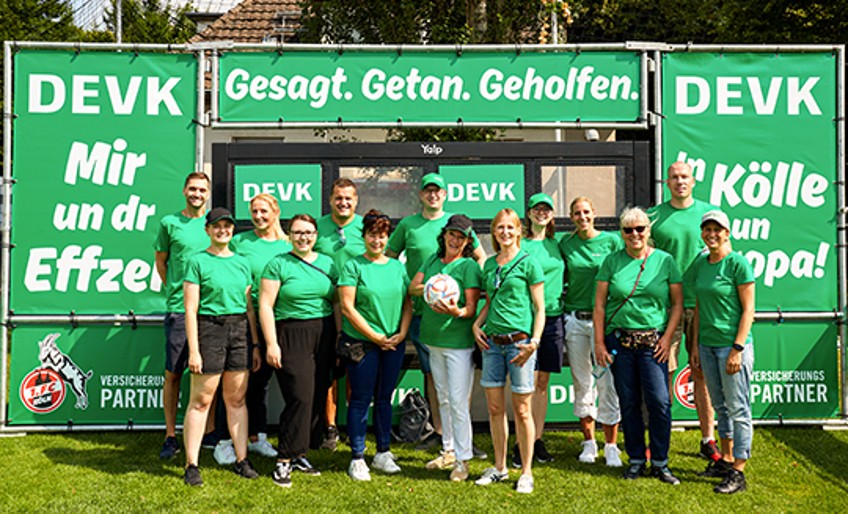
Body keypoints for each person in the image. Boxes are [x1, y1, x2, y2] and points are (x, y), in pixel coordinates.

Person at [387, 173, 486, 455]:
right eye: (428, 191)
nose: (433, 195)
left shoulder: (460, 232)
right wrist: (426, 290)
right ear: (420, 194)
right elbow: (395, 264)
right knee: (434, 378)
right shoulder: (410, 227)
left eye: (438, 191)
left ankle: (460, 442)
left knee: (457, 389)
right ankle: (443, 437)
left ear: (445, 195)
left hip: (455, 327)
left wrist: (464, 294)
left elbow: (480, 261)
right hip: (422, 317)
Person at [594, 206, 683, 485]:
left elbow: (677, 303)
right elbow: (598, 305)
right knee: (628, 402)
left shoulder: (666, 261)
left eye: (640, 228)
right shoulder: (611, 261)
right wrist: (599, 342)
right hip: (620, 341)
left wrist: (667, 338)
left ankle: (660, 461)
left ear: (648, 230)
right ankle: (635, 459)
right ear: (621, 233)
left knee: (659, 401)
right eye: (628, 229)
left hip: (653, 342)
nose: (635, 234)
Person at [182, 207, 260, 486]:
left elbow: (250, 308)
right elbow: (190, 310)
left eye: (227, 226)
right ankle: (191, 464)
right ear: (208, 230)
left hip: (239, 331)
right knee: (201, 401)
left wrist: (255, 344)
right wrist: (194, 350)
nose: (222, 230)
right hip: (209, 329)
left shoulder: (242, 262)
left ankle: (242, 460)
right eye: (217, 226)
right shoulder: (197, 261)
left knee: (236, 400)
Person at [259, 214, 338, 488]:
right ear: (289, 235)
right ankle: (283, 461)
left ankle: (300, 454)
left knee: (317, 394)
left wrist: (338, 337)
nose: (303, 237)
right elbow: (266, 305)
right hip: (291, 332)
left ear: (316, 235)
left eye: (308, 232)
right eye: (297, 232)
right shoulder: (278, 263)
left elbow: (336, 303)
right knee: (299, 396)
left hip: (324, 331)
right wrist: (271, 343)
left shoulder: (328, 263)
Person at [648, 161, 719, 461]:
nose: (680, 182)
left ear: (693, 181)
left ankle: (708, 439)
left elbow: (721, 257)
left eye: (685, 177)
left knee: (701, 374)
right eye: (674, 177)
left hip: (702, 307)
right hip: (668, 309)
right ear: (667, 182)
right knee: (663, 374)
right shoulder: (653, 216)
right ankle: (659, 440)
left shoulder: (708, 214)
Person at [472, 208, 545, 494]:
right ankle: (500, 468)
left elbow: (540, 309)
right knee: (494, 408)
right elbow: (491, 302)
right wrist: (477, 324)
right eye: (499, 228)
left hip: (520, 345)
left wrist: (534, 341)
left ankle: (526, 472)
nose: (504, 232)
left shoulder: (530, 263)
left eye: (510, 227)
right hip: (492, 344)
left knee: (523, 410)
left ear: (519, 231)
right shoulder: (489, 265)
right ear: (494, 232)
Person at [339, 210, 413, 481]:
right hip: (363, 343)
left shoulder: (397, 267)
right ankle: (357, 456)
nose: (377, 241)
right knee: (360, 398)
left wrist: (402, 332)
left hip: (393, 343)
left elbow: (407, 302)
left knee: (384, 398)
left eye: (382, 236)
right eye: (372, 235)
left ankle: (383, 452)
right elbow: (347, 307)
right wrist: (374, 336)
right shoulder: (353, 266)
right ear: (364, 236)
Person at [408, 214, 481, 482]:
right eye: (451, 234)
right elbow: (413, 287)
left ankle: (463, 461)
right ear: (444, 235)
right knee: (443, 397)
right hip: (432, 339)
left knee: (459, 402)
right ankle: (449, 449)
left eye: (460, 236)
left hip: (458, 344)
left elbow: (470, 309)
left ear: (467, 241)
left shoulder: (468, 267)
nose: (455, 239)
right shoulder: (432, 261)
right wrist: (429, 288)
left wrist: (456, 310)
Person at [687, 210, 755, 494]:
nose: (711, 234)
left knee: (739, 409)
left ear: (727, 233)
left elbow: (749, 309)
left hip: (731, 346)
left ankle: (738, 470)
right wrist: (694, 345)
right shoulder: (702, 263)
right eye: (707, 229)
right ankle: (725, 460)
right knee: (720, 406)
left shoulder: (738, 263)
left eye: (717, 229)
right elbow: (700, 306)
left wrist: (737, 348)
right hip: (707, 345)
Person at [559, 196, 623, 467]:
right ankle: (588, 442)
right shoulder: (566, 244)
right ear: (571, 217)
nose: (582, 216)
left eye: (586, 211)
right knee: (582, 382)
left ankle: (611, 445)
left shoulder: (612, 242)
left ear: (594, 213)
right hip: (575, 320)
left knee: (608, 384)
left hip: (605, 322)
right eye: (577, 213)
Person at [154, 171, 211, 460]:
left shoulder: (216, 224)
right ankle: (170, 435)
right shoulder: (169, 223)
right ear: (184, 191)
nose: (197, 194)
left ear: (208, 193)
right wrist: (177, 292)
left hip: (211, 312)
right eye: (192, 189)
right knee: (174, 373)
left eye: (202, 190)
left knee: (209, 374)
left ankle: (209, 433)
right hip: (179, 309)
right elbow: (161, 263)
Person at [230, 194, 291, 459]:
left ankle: (264, 436)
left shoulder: (289, 244)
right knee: (251, 381)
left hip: (285, 320)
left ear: (276, 211)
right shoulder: (239, 242)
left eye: (264, 211)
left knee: (278, 380)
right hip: (248, 320)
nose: (259, 216)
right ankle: (247, 436)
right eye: (254, 211)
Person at [314, 178, 366, 451]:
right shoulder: (318, 227)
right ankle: (330, 427)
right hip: (324, 308)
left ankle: (352, 423)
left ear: (356, 201)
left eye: (348, 198)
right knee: (330, 371)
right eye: (338, 198)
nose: (343, 202)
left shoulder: (364, 228)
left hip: (358, 310)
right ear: (331, 200)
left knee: (355, 366)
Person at [515, 193, 565, 467]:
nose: (542, 213)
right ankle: (521, 441)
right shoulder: (520, 245)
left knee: (542, 383)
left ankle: (537, 440)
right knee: (526, 384)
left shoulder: (559, 245)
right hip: (526, 320)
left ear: (551, 215)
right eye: (537, 209)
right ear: (529, 213)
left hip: (553, 318)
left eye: (546, 209)